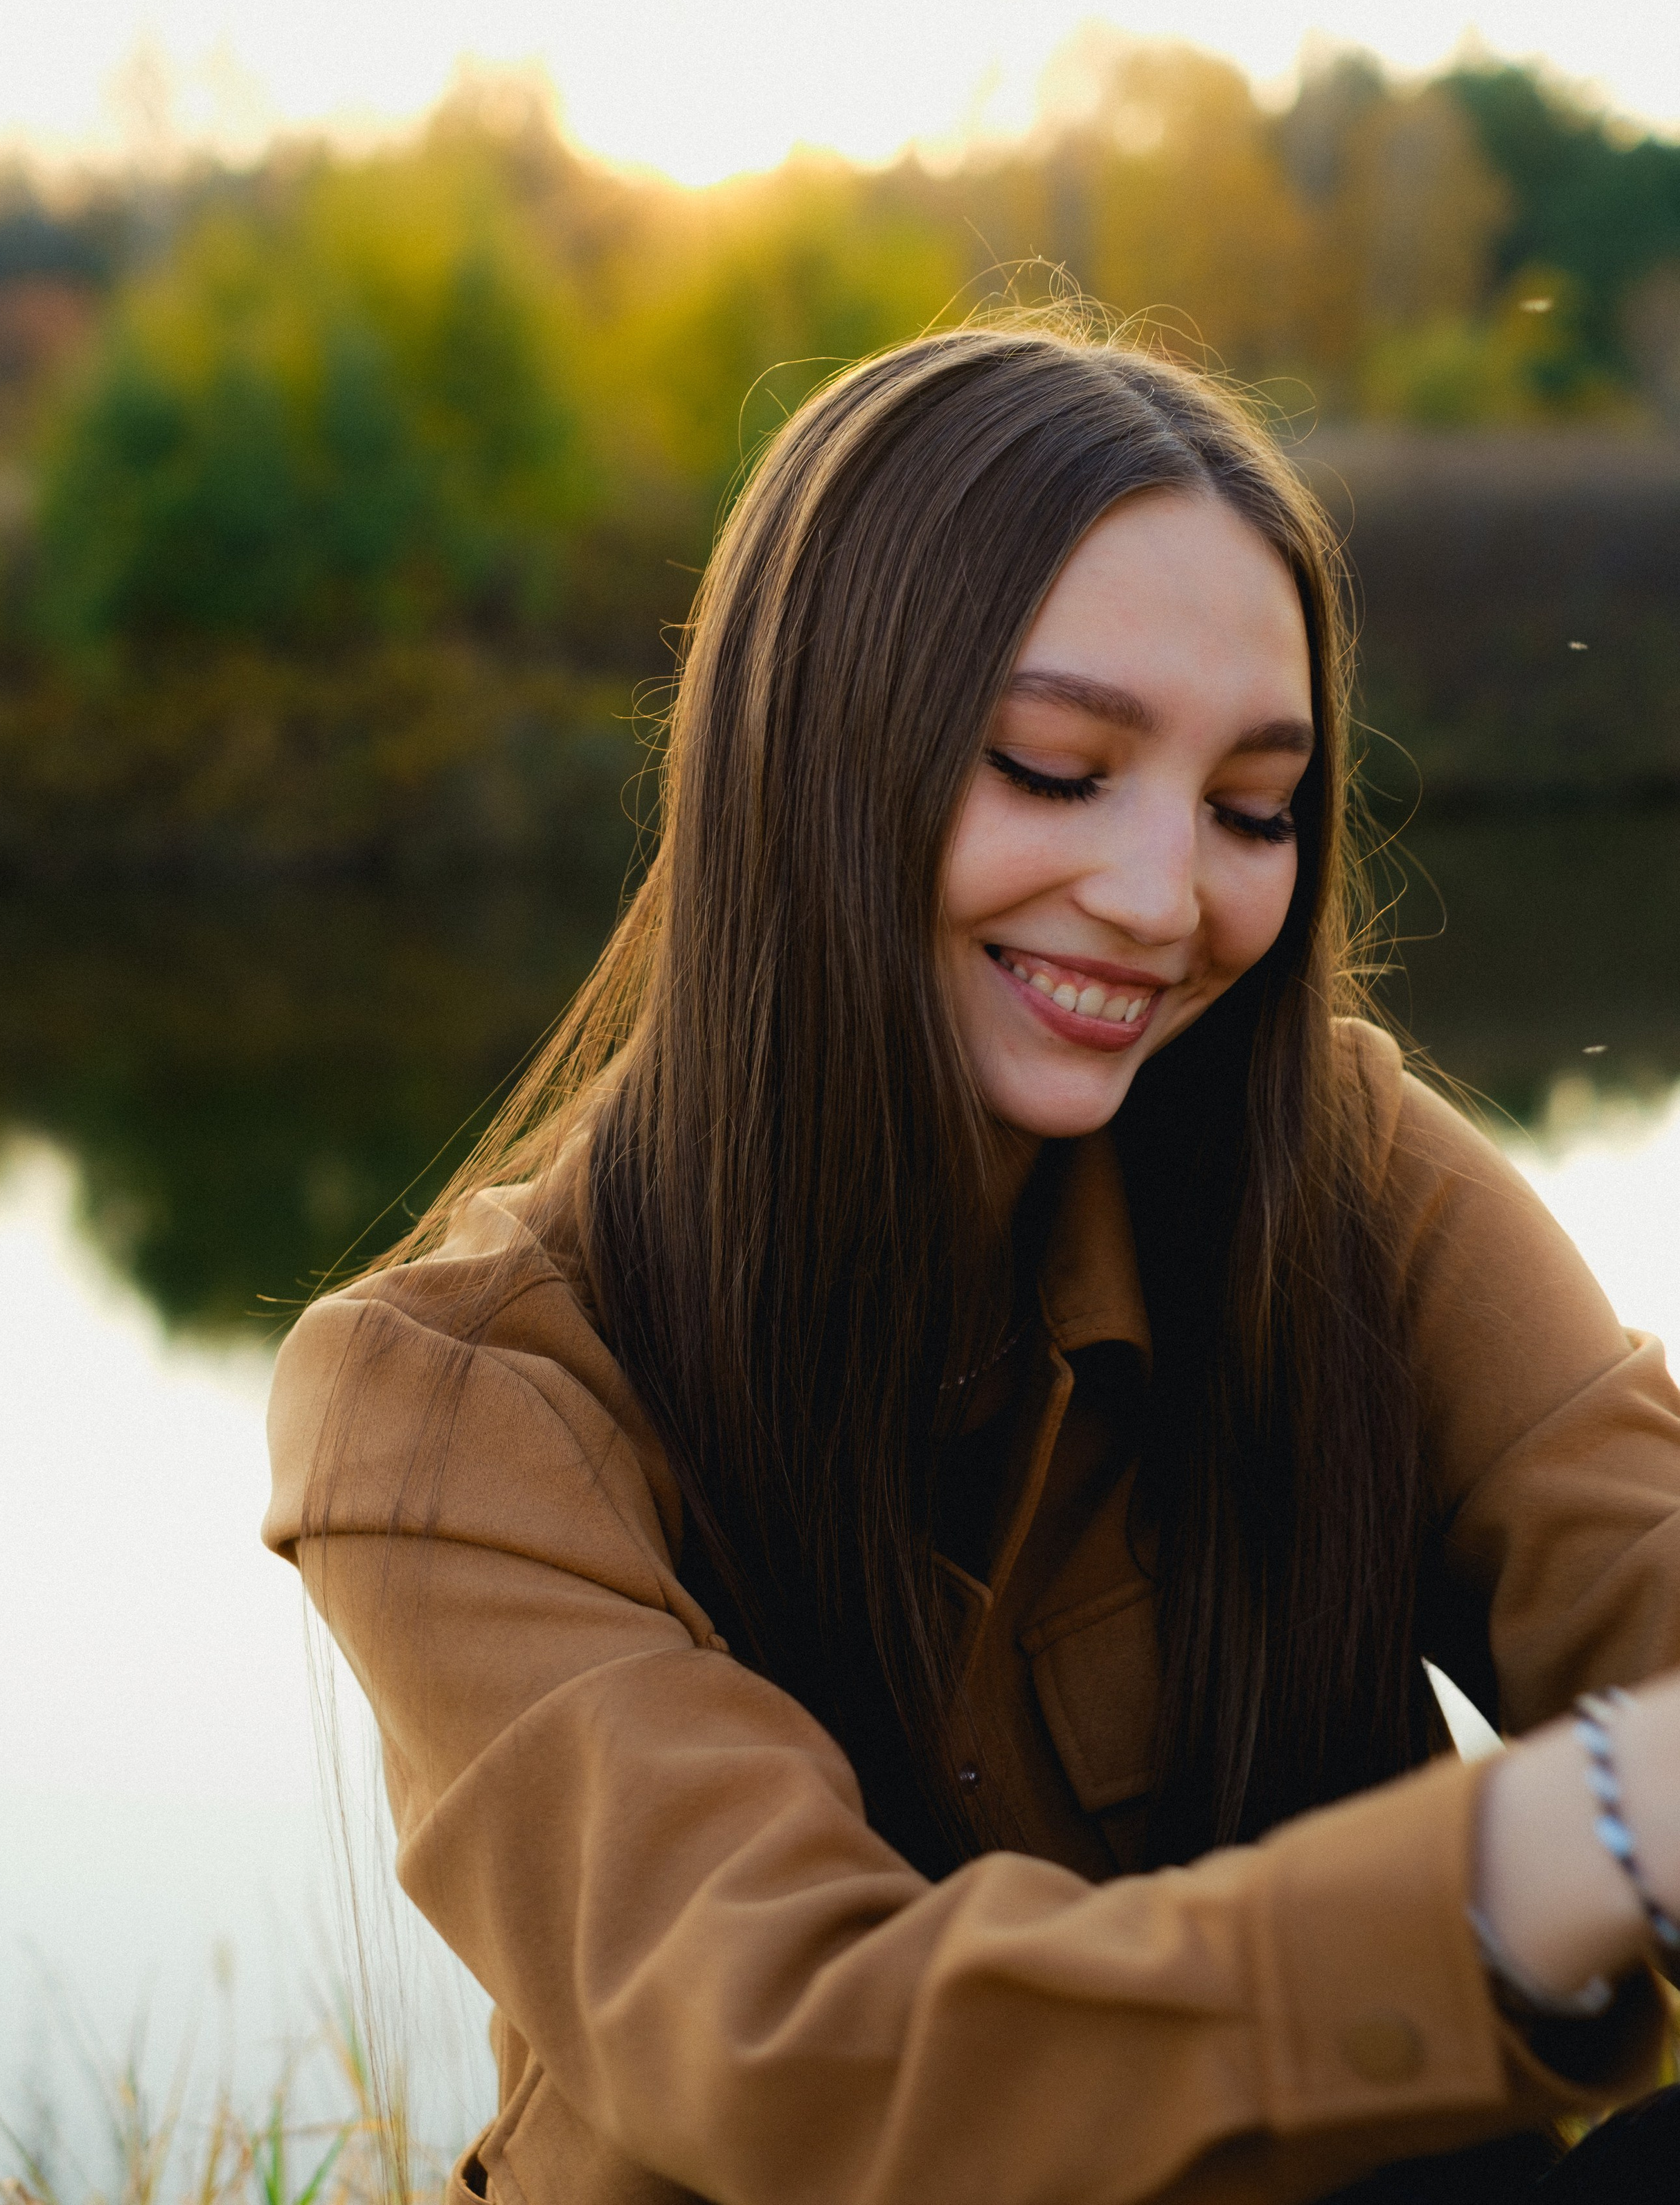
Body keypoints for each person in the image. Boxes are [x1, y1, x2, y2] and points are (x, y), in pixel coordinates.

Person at [264, 327, 1680, 2204]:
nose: (1168, 896)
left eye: (1256, 807)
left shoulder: (1343, 1173)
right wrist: (1559, 1853)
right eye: (1053, 767)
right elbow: (793, 2049)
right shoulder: (444, 1410)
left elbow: (1638, 1550)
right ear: (811, 754)